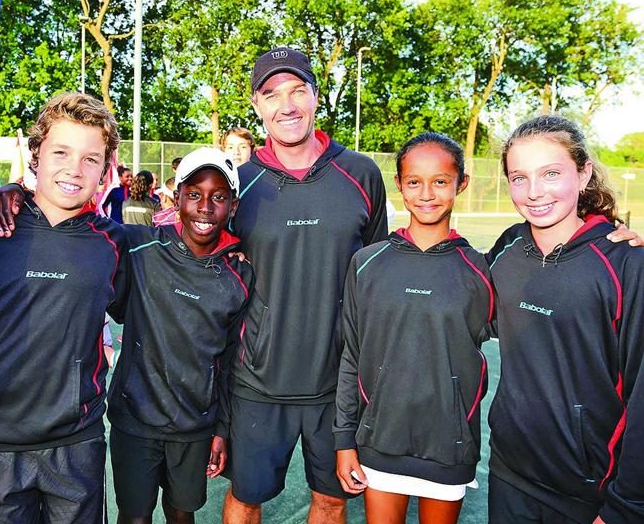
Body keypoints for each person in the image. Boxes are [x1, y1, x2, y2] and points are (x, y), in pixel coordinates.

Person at [222, 46, 389, 524]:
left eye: (298, 90)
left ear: (316, 96)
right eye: (272, 95)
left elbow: (375, 271)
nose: (287, 105)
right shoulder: (239, 182)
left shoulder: (360, 174)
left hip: (336, 381)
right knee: (246, 497)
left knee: (332, 499)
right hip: (257, 377)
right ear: (257, 106)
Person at [0, 92, 125, 523]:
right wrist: (10, 189)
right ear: (36, 155)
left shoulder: (116, 243)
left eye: (91, 158)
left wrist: (234, 253)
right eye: (61, 152)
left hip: (76, 441)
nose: (74, 169)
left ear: (104, 169)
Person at [486, 115, 644, 524]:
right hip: (509, 475)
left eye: (551, 173)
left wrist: (625, 507)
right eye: (519, 177)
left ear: (584, 172)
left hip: (588, 492)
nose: (534, 192)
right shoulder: (508, 249)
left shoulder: (627, 264)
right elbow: (462, 310)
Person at [334, 133, 492, 524]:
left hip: (449, 448)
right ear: (400, 185)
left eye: (440, 181)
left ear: (461, 184)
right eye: (414, 182)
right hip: (380, 443)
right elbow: (352, 354)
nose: (427, 194)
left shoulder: (482, 270)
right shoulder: (367, 263)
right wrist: (343, 440)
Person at [107, 147, 255, 524]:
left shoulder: (239, 273)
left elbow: (229, 362)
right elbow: (81, 223)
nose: (205, 207)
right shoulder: (138, 246)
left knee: (181, 513)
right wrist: (18, 193)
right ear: (176, 199)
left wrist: (221, 428)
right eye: (194, 194)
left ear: (233, 207)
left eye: (219, 197)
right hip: (134, 421)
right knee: (135, 516)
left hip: (194, 427)